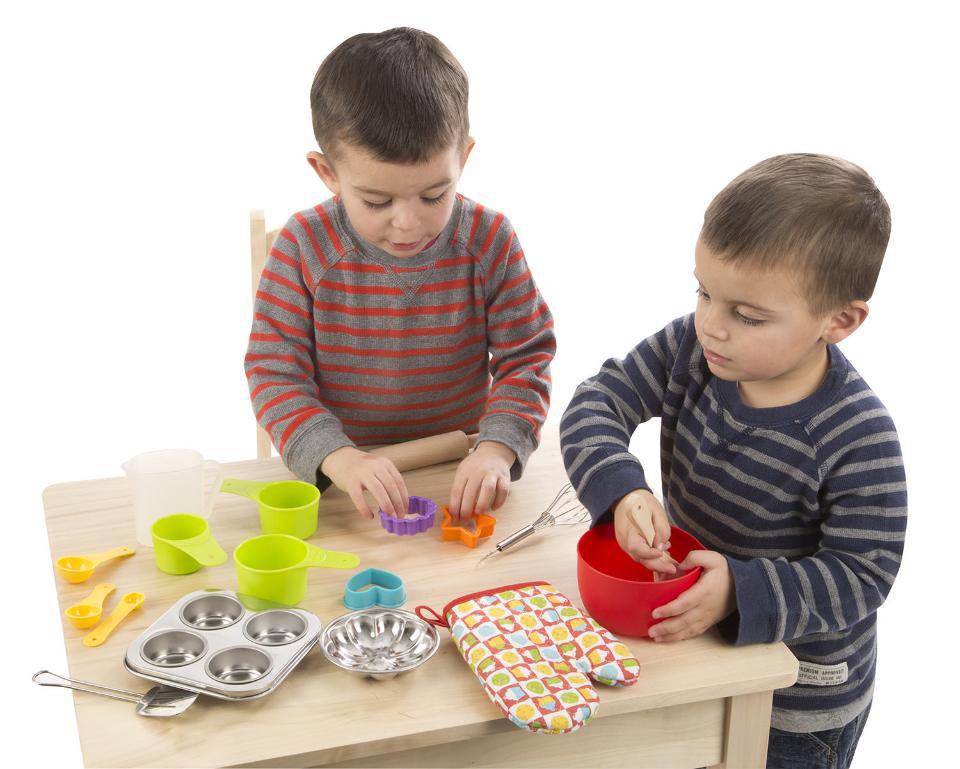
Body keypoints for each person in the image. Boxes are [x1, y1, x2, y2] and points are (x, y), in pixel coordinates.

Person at [560, 154, 905, 768]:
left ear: (840, 321)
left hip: (794, 705)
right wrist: (622, 494)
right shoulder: (691, 349)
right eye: (703, 291)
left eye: (748, 315)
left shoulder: (859, 436)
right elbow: (598, 400)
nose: (711, 325)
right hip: (699, 658)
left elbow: (863, 575)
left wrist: (739, 593)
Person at [246, 28, 554, 521]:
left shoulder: (490, 240)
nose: (408, 223)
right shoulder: (304, 246)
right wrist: (337, 458)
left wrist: (498, 448)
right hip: (344, 481)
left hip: (459, 467)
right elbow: (274, 374)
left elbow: (526, 358)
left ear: (464, 157)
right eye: (377, 201)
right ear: (327, 172)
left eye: (434, 195)